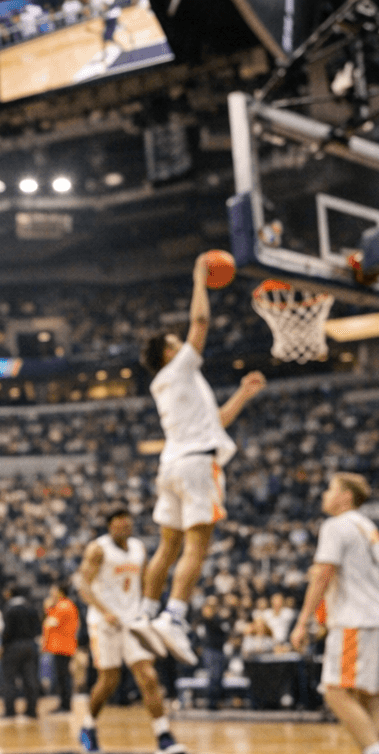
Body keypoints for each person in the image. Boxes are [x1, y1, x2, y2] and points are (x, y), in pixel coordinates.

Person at [135, 251, 267, 666]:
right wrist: (198, 278)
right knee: (198, 545)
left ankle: (146, 612)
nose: (183, 342)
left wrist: (243, 395)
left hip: (173, 464)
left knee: (167, 545)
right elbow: (201, 322)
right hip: (195, 464)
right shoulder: (179, 370)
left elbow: (217, 422)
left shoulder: (176, 385)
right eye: (175, 343)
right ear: (168, 354)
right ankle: (175, 616)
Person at [290, 473, 379, 754]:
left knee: (335, 691)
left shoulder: (336, 525)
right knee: (372, 701)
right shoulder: (368, 528)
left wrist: (303, 621)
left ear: (344, 496)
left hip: (354, 621)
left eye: (329, 489)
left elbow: (323, 574)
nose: (325, 495)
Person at [74, 507, 187, 754]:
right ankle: (88, 725)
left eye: (128, 524)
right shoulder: (98, 549)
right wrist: (105, 611)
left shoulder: (138, 548)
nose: (125, 528)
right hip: (105, 622)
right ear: (110, 526)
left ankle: (164, 737)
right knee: (109, 681)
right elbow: (83, 585)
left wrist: (149, 608)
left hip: (133, 620)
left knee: (148, 676)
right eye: (120, 524)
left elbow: (147, 580)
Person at [0, 586, 43, 718]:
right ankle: (31, 710)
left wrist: (2, 646)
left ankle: (10, 711)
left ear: (9, 593)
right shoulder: (30, 607)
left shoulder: (9, 609)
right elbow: (38, 629)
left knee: (9, 680)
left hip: (13, 646)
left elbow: (6, 632)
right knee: (30, 679)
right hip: (30, 645)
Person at [42, 581, 80, 714]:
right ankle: (63, 703)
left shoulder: (63, 606)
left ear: (59, 591)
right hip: (62, 646)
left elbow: (51, 622)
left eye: (53, 589)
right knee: (62, 677)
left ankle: (65, 705)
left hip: (62, 646)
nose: (51, 592)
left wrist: (48, 608)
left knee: (63, 677)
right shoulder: (64, 605)